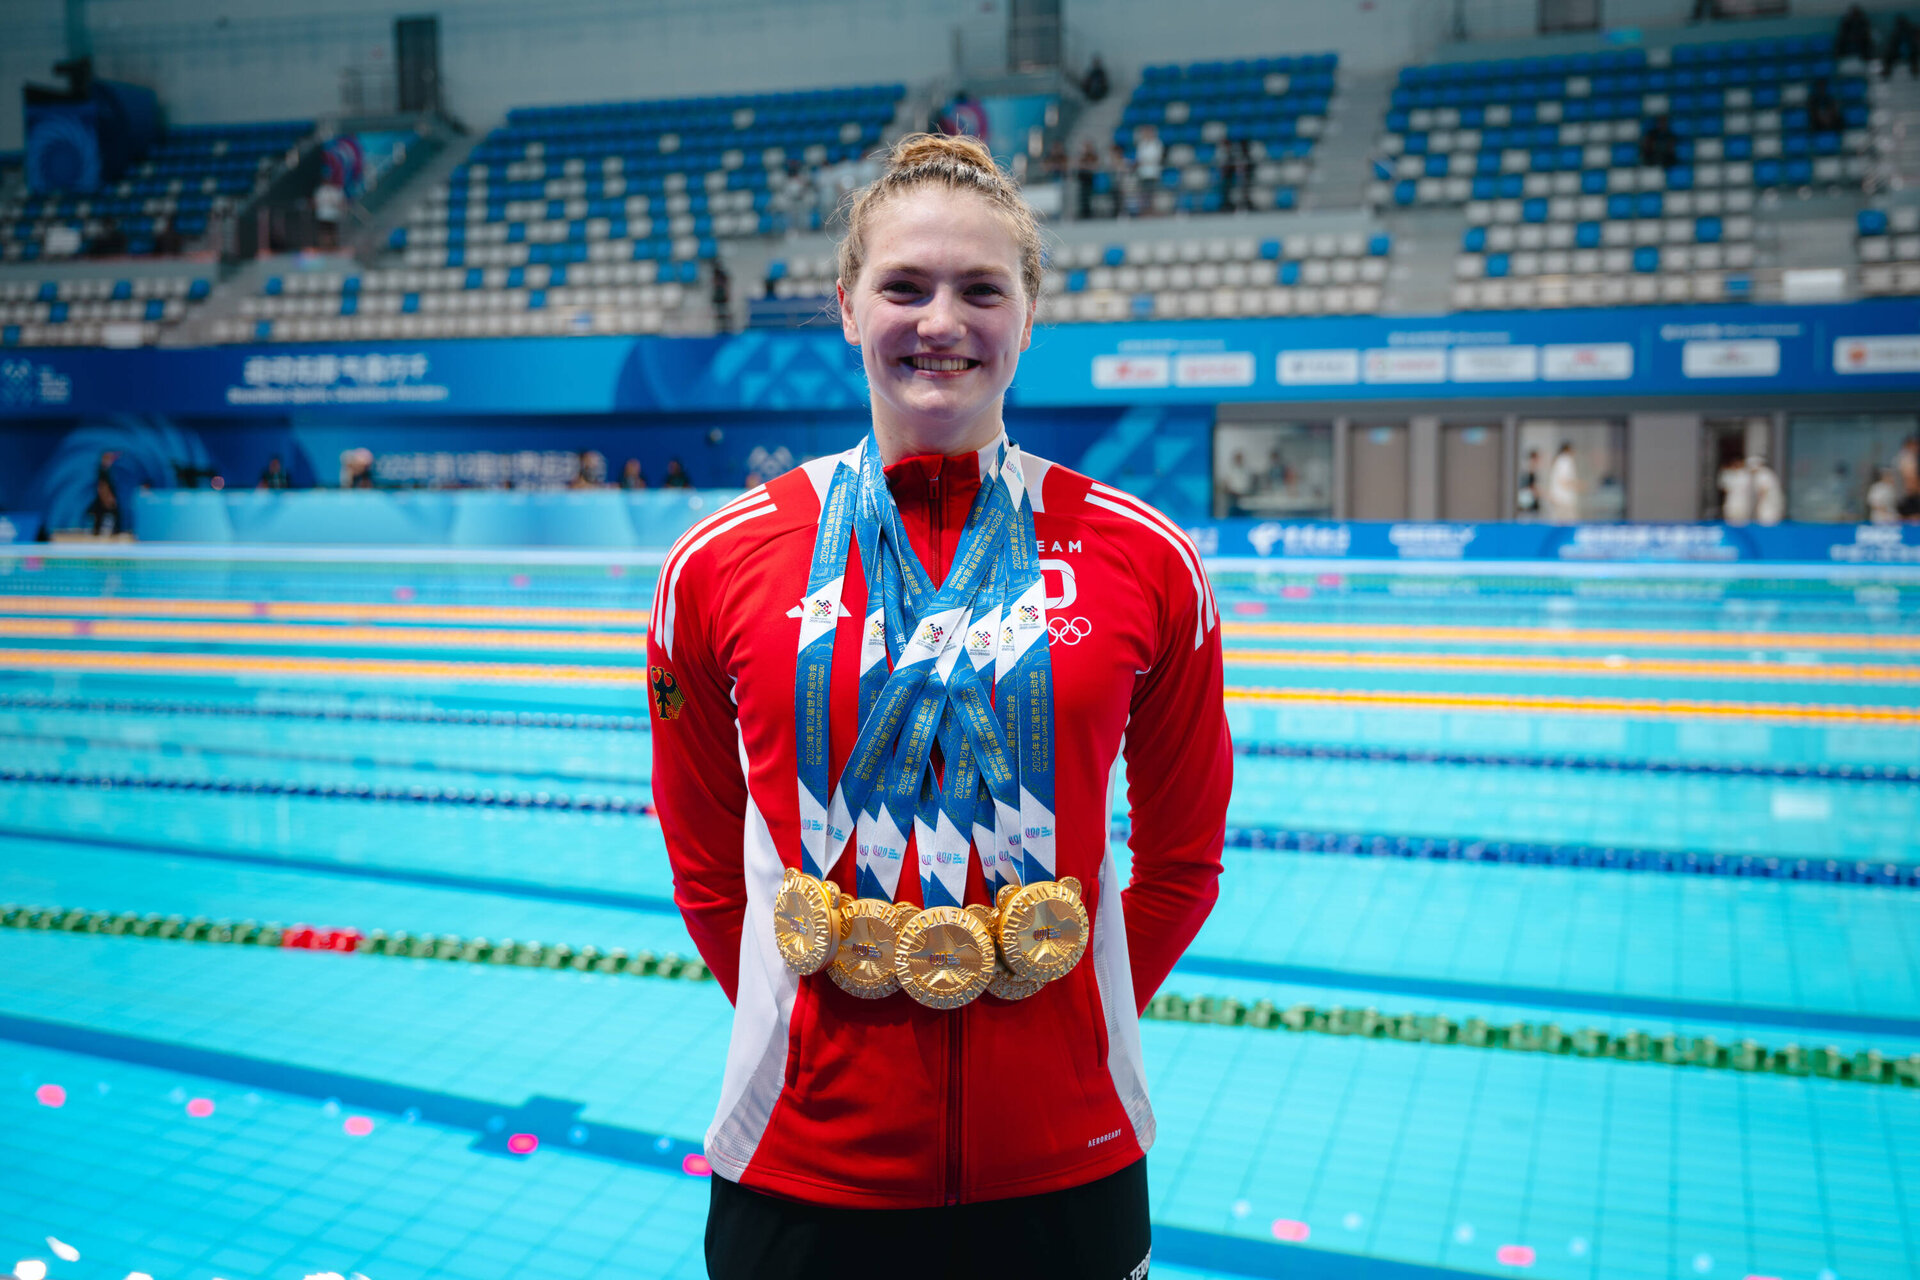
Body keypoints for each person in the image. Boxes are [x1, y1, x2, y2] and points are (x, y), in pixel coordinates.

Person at [648, 133, 1229, 1280]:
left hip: (1069, 1163)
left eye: (982, 289)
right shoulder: (720, 562)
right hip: (802, 1171)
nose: (941, 321)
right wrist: (818, 1029)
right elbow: (706, 869)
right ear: (846, 306)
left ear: (1029, 315)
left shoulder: (1145, 558)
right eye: (904, 286)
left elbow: (1184, 864)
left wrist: (1061, 1019)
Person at [85, 451, 121, 536]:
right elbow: (102, 486)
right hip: (104, 497)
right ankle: (108, 531)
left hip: (104, 496)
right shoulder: (103, 471)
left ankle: (100, 531)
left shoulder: (108, 470)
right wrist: (106, 497)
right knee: (103, 513)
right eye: (108, 458)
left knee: (101, 513)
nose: (110, 461)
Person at [1545, 442, 1580, 523]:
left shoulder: (1558, 460)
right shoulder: (1565, 460)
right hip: (1564, 499)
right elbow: (1563, 480)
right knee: (1568, 523)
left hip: (1558, 498)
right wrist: (1578, 485)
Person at [1718, 454, 1755, 524]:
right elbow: (1724, 488)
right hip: (1731, 502)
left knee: (1743, 521)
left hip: (1743, 503)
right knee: (1730, 520)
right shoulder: (1729, 474)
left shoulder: (1746, 475)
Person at [1749, 455, 1784, 526]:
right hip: (1771, 504)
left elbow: (1763, 490)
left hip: (1768, 504)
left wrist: (1757, 503)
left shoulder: (1762, 474)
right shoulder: (1766, 473)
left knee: (1767, 522)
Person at [1072, 141, 1101, 220]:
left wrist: (1085, 166)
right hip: (1082, 180)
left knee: (1089, 197)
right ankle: (1083, 213)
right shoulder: (1081, 157)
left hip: (1090, 180)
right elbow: (1077, 165)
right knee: (1082, 197)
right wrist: (1086, 166)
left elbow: (1095, 166)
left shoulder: (1093, 156)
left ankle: (1089, 213)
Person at [1517, 448, 1541, 519]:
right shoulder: (1528, 473)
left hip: (1531, 506)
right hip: (1528, 506)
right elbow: (1532, 488)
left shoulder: (1530, 472)